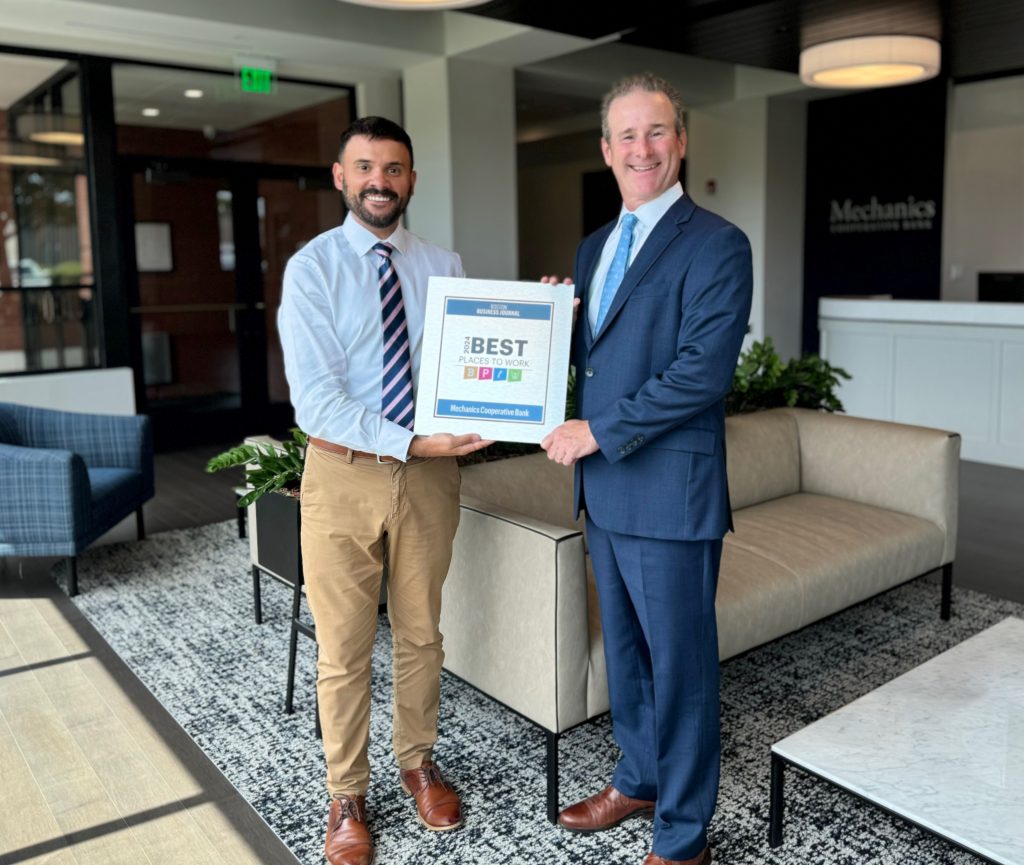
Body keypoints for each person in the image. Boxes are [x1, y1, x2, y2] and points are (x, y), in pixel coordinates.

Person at [541, 73, 753, 865]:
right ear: (605, 150)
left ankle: (684, 833)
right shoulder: (595, 247)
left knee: (683, 667)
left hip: (671, 491)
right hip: (606, 492)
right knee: (625, 654)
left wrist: (597, 431)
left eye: (656, 131)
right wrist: (553, 327)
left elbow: (701, 373)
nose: (642, 148)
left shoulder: (718, 243)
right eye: (626, 136)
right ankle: (638, 778)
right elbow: (602, 364)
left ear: (682, 139)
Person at [278, 116, 491, 865]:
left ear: (411, 179)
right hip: (342, 474)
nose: (379, 180)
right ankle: (346, 793)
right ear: (340, 176)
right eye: (364, 166)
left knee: (423, 632)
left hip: (431, 478)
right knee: (342, 647)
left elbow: (472, 365)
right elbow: (317, 401)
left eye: (393, 168)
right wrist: (414, 440)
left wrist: (538, 326)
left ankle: (417, 761)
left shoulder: (446, 264)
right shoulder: (312, 269)